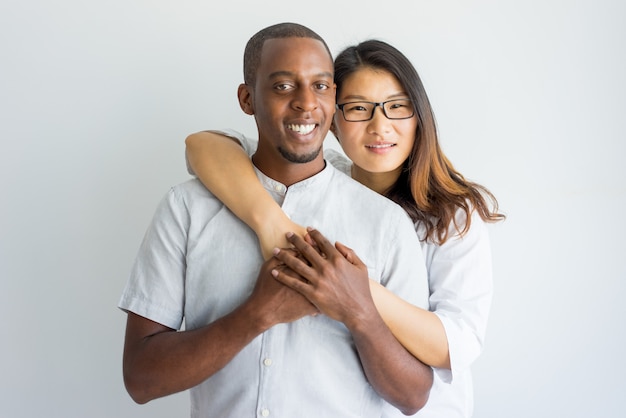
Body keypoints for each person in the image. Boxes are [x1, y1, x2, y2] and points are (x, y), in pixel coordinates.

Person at [119, 23, 434, 417]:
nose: (306, 103)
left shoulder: (385, 222)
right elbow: (140, 379)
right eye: (284, 86)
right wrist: (258, 314)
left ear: (334, 96)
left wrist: (360, 311)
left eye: (321, 85)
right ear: (247, 98)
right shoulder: (186, 208)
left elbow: (414, 396)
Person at [184, 39, 505, 417]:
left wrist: (349, 287)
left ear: (419, 115)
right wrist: (270, 222)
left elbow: (456, 346)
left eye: (397, 107)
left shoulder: (452, 217)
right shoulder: (323, 173)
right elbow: (203, 145)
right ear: (332, 119)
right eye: (358, 109)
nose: (380, 127)